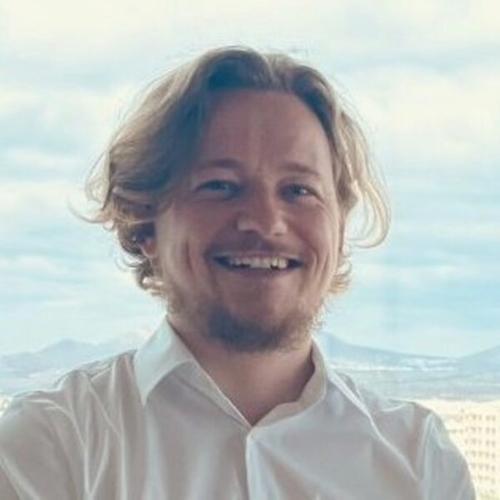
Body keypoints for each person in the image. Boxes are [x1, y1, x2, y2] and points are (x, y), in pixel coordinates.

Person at [0, 46, 475, 499]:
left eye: (299, 190)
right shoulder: (52, 445)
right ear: (145, 224)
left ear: (339, 227)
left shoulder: (419, 461)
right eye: (220, 186)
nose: (266, 221)